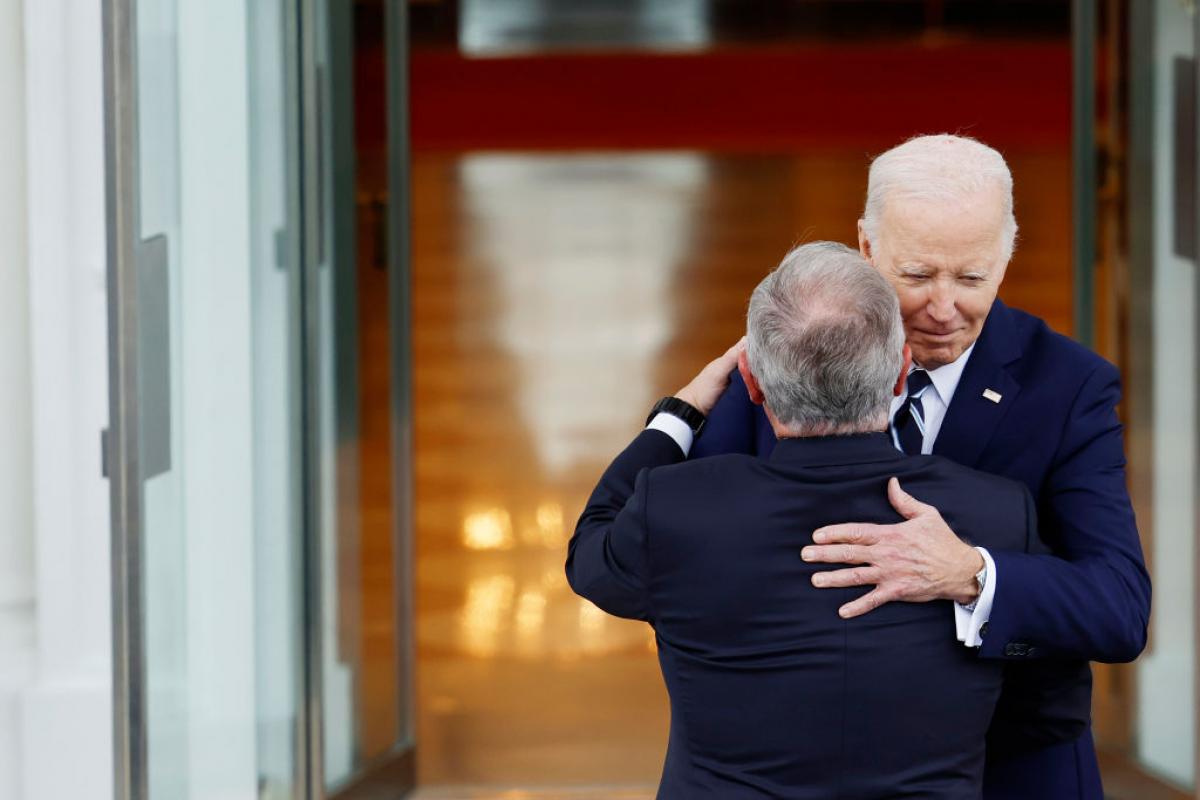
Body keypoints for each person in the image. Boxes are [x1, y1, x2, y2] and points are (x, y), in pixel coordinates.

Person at [691, 135, 1152, 799]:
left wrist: (969, 575)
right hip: (800, 768)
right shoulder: (783, 351)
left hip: (1011, 768)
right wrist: (677, 416)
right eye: (916, 276)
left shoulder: (1070, 387)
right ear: (866, 248)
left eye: (971, 277)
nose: (944, 308)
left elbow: (1118, 610)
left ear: (1006, 255)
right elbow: (686, 535)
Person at [568, 242, 1045, 798]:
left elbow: (589, 552)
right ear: (901, 373)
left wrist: (683, 409)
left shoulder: (675, 509)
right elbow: (1036, 677)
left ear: (750, 383)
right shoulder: (998, 513)